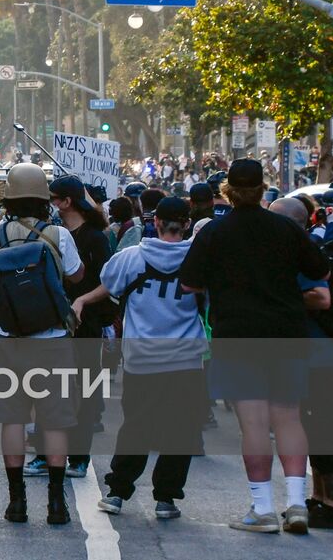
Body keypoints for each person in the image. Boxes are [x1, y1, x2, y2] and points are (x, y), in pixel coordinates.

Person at [180, 158, 330, 534]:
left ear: (227, 190)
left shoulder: (214, 232)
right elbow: (321, 271)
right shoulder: (285, 228)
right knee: (289, 417)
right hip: (287, 332)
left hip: (238, 334)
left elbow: (189, 284)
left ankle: (262, 507)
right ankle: (296, 502)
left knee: (254, 424)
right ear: (264, 189)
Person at [74, 196, 206, 520]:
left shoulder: (131, 257)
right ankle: (166, 499)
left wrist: (81, 300)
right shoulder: (199, 259)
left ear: (155, 222)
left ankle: (118, 492)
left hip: (141, 358)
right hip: (186, 359)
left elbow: (106, 285)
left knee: (136, 426)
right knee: (181, 428)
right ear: (187, 224)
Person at [0, 162, 85, 526]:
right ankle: (56, 504)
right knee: (55, 422)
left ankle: (16, 501)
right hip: (52, 339)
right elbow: (76, 275)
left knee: (12, 420)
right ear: (43, 198)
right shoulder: (58, 234)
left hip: (8, 339)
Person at [269, 196, 333, 530]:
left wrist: (280, 294)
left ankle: (331, 503)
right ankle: (317, 498)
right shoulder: (292, 249)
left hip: (316, 356)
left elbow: (321, 297)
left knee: (318, 428)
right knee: (306, 426)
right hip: (306, 354)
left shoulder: (300, 253)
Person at [44, 176, 113, 479]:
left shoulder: (95, 237)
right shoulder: (53, 235)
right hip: (53, 324)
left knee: (84, 391)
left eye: (54, 199)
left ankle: (80, 456)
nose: (51, 205)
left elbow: (108, 283)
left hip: (86, 325)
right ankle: (47, 453)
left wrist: (82, 300)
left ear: (66, 201)